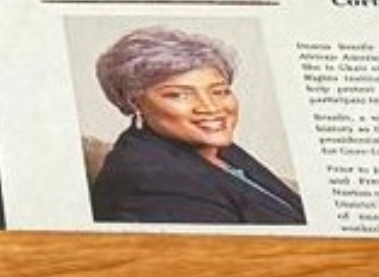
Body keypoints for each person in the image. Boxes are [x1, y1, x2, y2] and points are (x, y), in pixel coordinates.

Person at [87, 26, 305, 225]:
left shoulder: (213, 149)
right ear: (134, 102)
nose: (210, 107)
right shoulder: (157, 184)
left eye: (219, 91)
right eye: (179, 95)